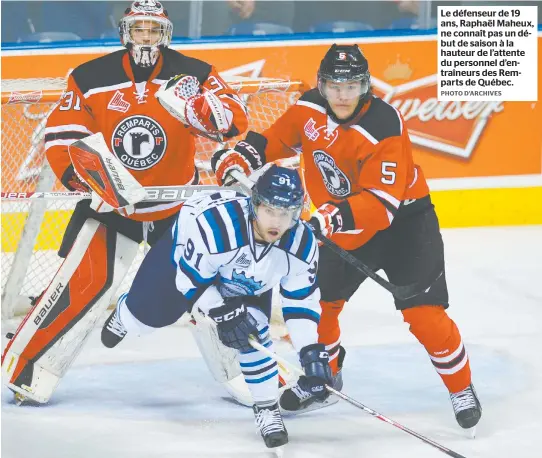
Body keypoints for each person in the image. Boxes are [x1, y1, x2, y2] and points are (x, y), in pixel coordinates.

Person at [210, 43, 482, 430]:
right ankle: (325, 376)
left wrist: (329, 217)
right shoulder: (308, 109)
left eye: (351, 85)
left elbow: (381, 205)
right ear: (322, 84)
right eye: (334, 85)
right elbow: (275, 139)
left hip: (404, 224)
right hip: (338, 225)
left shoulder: (385, 125)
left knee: (424, 315)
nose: (342, 94)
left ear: (365, 86)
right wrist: (244, 155)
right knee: (318, 307)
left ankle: (461, 387)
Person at [1, 0, 248, 405]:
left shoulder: (196, 73)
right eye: (139, 29)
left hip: (177, 207)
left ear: (164, 33)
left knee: (208, 288)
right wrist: (85, 179)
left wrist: (197, 108)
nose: (146, 37)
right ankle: (30, 370)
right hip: (116, 205)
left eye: (153, 29)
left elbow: (235, 119)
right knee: (82, 285)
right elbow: (63, 134)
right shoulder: (90, 76)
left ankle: (243, 372)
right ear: (126, 32)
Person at [100, 165, 332, 449]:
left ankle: (267, 409)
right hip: (186, 262)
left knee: (253, 332)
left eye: (286, 213)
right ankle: (127, 315)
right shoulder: (216, 227)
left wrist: (311, 354)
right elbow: (189, 282)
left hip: (244, 281)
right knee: (146, 318)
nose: (277, 222)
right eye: (270, 210)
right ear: (255, 204)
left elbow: (301, 304)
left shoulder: (303, 245)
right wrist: (223, 312)